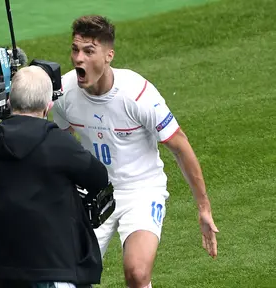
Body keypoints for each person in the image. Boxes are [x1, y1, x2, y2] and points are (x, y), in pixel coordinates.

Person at [51, 15, 219, 288]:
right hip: (94, 193)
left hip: (141, 190)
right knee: (68, 275)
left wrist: (203, 207)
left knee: (137, 273)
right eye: (75, 49)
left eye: (88, 51)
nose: (78, 58)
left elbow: (180, 145)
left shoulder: (137, 94)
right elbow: (61, 142)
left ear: (109, 55)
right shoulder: (64, 92)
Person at [0, 65, 110, 288]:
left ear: (9, 100)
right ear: (48, 106)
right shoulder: (60, 143)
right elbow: (99, 178)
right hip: (54, 267)